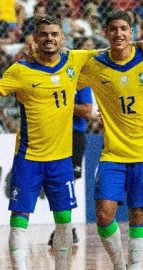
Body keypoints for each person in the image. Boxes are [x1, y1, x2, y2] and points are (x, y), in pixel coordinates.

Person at [0, 16, 99, 270]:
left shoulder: (75, 61)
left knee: (64, 221)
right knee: (19, 219)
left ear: (62, 38)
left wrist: (141, 43)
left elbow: (112, 52)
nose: (49, 38)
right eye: (43, 34)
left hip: (61, 159)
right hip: (28, 158)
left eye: (54, 34)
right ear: (35, 39)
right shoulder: (20, 71)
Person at [77, 11, 143, 270]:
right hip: (112, 152)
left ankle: (134, 267)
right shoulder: (94, 65)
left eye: (124, 29)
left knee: (139, 214)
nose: (119, 34)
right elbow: (64, 71)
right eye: (113, 29)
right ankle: (119, 265)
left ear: (132, 31)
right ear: (105, 32)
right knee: (103, 215)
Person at [48, 86, 93, 246]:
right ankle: (64, 227)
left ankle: (66, 227)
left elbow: (88, 111)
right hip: (54, 132)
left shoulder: (80, 80)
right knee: (56, 181)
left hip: (74, 134)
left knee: (68, 181)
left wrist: (60, 103)